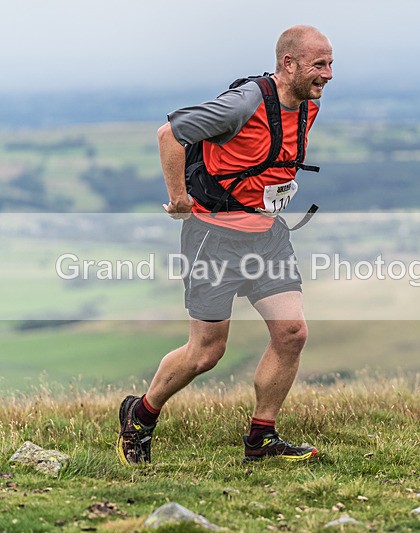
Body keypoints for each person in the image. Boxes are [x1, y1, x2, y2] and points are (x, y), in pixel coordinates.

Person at [116, 25, 333, 465]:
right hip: (213, 239)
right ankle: (140, 415)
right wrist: (179, 198)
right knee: (207, 352)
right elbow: (169, 134)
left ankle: (261, 438)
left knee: (291, 333)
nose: (328, 74)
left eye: (330, 64)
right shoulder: (245, 102)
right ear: (289, 64)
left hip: (268, 236)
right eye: (319, 64)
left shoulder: (307, 104)